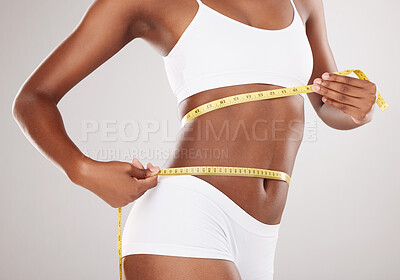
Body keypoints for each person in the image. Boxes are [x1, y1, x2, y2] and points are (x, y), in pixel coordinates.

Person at [12, 0, 378, 279]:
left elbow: (330, 104)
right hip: (187, 215)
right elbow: (33, 98)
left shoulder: (304, 3)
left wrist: (361, 109)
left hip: (264, 233)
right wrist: (82, 170)